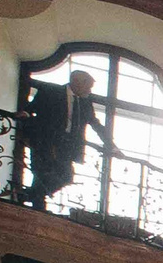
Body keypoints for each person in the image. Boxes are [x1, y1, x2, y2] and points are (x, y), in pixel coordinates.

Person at [16, 68, 108, 208]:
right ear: (76, 82)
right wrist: (25, 114)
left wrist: (110, 144)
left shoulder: (85, 102)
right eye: (88, 87)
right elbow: (32, 107)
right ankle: (36, 205)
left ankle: (30, 195)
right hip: (45, 141)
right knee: (41, 174)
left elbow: (95, 124)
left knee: (65, 177)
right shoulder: (51, 92)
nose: (89, 91)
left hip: (67, 146)